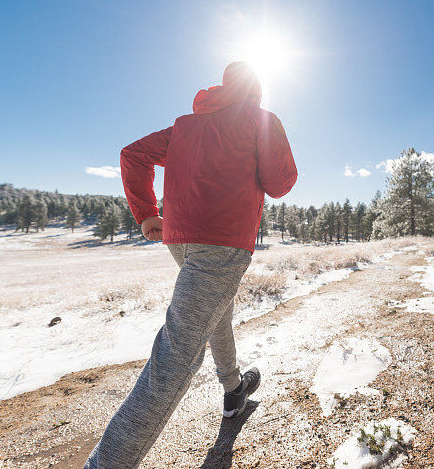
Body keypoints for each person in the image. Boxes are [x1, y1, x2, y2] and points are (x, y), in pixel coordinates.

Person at [84, 62, 297, 468]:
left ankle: (233, 390)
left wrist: (147, 214)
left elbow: (133, 154)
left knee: (217, 314)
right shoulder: (260, 120)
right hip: (223, 241)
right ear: (257, 90)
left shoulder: (185, 127)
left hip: (179, 238)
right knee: (178, 354)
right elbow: (279, 183)